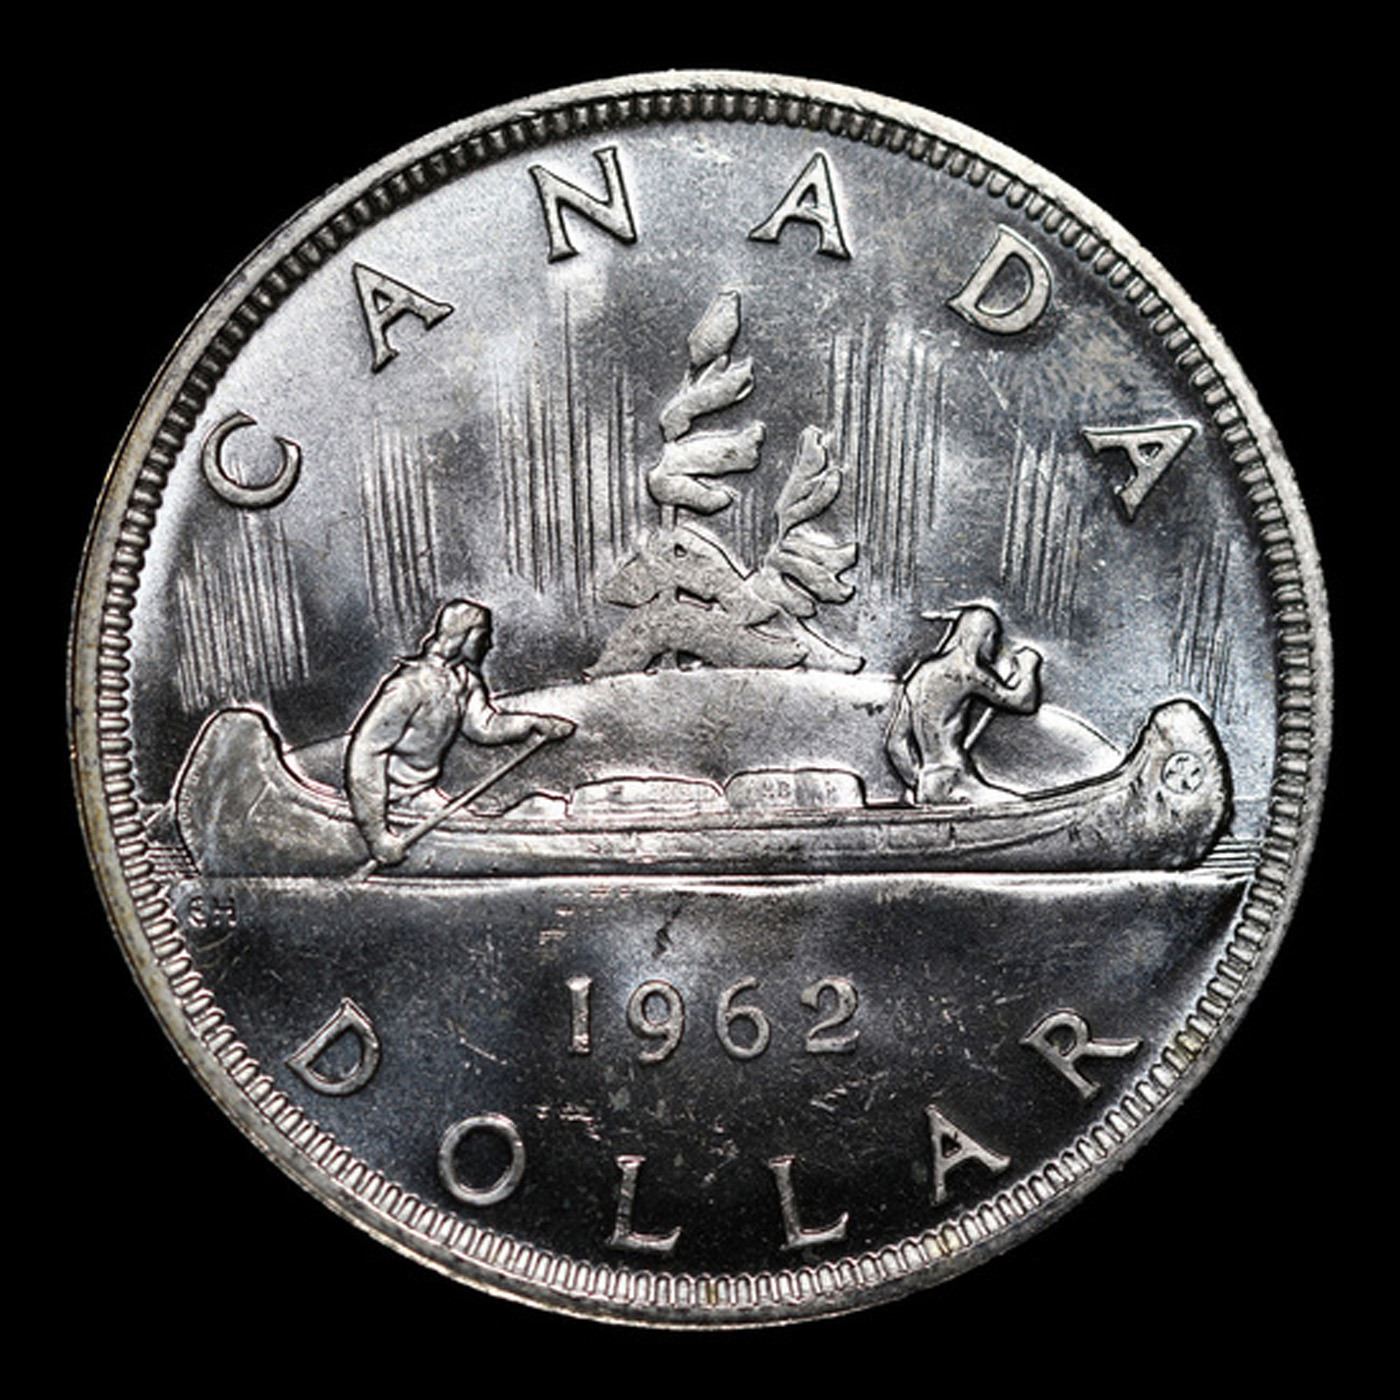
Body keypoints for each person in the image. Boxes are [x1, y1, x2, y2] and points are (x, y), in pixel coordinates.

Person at [346, 599, 574, 864]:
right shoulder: (408, 687)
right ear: (465, 636)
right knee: (486, 838)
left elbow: (484, 726)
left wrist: (534, 723)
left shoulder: (464, 681)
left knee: (533, 810)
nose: (490, 645)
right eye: (484, 636)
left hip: (423, 796)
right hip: (393, 801)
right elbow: (366, 752)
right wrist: (376, 835)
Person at [884, 605, 1042, 805]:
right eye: (994, 638)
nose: (995, 646)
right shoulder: (968, 673)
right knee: (1019, 807)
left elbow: (895, 744)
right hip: (956, 779)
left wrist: (921, 783)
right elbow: (1023, 703)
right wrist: (1029, 665)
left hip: (928, 783)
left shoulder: (921, 674)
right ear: (982, 637)